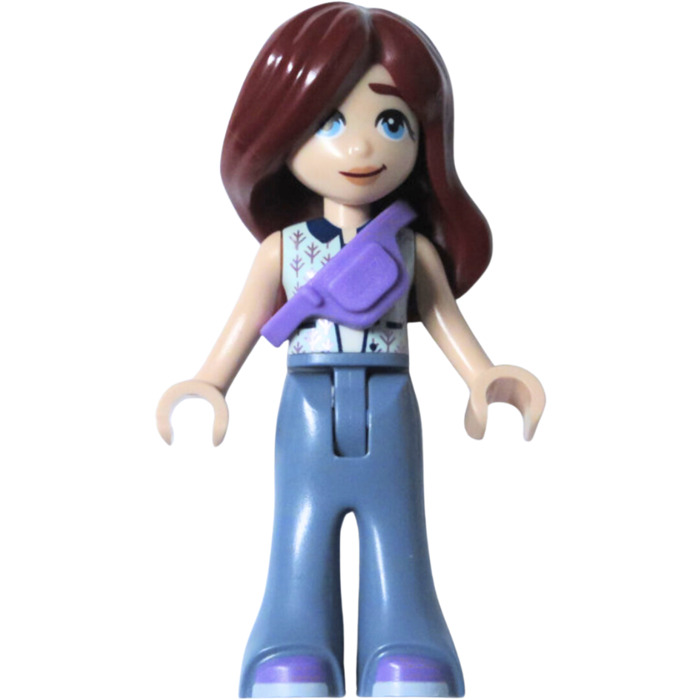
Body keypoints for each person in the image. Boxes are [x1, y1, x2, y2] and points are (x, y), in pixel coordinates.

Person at [157, 4, 545, 697]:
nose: (361, 147)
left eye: (391, 122)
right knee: (299, 530)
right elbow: (246, 319)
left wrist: (484, 375)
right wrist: (209, 382)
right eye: (329, 123)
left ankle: (407, 641)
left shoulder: (411, 247)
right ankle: (292, 641)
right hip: (306, 405)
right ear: (280, 136)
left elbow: (443, 317)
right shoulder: (284, 251)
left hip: (391, 402)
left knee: (399, 532)